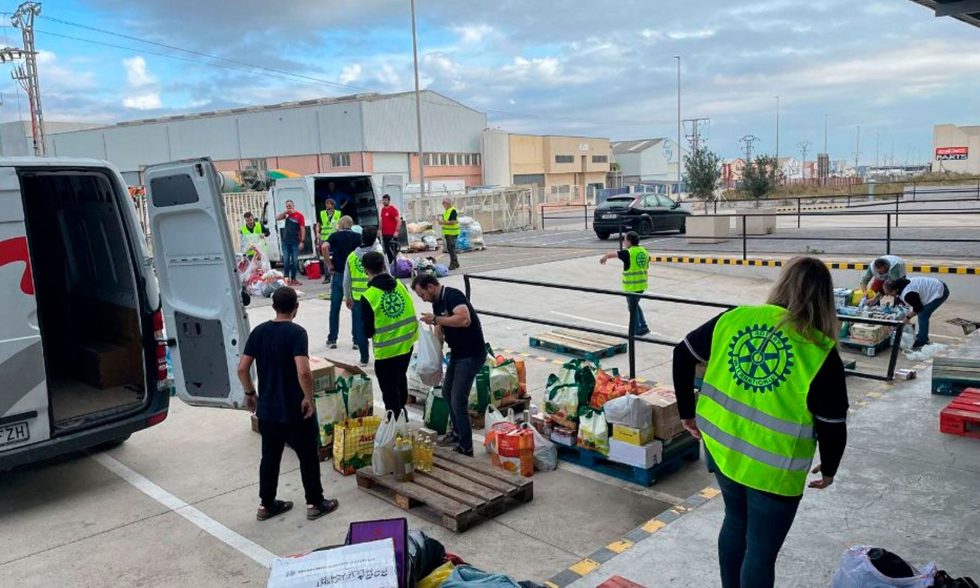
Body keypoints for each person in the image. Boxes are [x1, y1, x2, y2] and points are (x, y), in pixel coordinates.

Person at [672, 256, 848, 588]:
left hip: (723, 450)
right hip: (774, 469)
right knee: (761, 552)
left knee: (735, 522)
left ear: (782, 284)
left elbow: (682, 354)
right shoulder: (820, 351)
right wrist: (829, 468)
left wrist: (686, 412)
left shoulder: (734, 317)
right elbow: (832, 423)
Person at [237, 287, 340, 522]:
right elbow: (303, 371)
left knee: (270, 458)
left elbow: (242, 368)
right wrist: (308, 398)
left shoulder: (259, 332)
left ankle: (266, 505)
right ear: (296, 307)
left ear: (274, 306)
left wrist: (250, 392)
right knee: (307, 456)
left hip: (268, 411)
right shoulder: (296, 333)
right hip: (295, 410)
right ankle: (315, 502)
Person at [413, 273, 487, 456]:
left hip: (471, 354)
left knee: (457, 399)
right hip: (457, 354)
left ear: (431, 287)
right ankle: (456, 432)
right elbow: (439, 330)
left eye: (423, 294)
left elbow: (464, 319)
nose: (423, 299)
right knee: (446, 392)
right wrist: (434, 354)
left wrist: (435, 319)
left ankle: (466, 446)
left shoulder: (453, 296)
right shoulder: (437, 303)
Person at [360, 251, 418, 414]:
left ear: (365, 270)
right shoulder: (400, 285)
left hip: (386, 351)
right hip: (407, 345)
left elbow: (368, 331)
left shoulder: (369, 296)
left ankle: (395, 419)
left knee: (389, 388)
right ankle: (402, 412)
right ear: (384, 266)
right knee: (400, 379)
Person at [344, 226, 385, 366]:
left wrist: (347, 296)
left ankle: (364, 358)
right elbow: (388, 273)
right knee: (379, 326)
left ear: (361, 238)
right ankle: (379, 355)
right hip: (377, 295)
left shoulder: (352, 256)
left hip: (358, 298)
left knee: (361, 329)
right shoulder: (378, 255)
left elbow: (346, 280)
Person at [599, 231, 651, 337]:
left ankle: (638, 329)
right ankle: (643, 326)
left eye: (625, 240)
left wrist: (605, 256)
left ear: (629, 242)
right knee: (635, 306)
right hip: (642, 285)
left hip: (632, 286)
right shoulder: (644, 251)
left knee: (632, 308)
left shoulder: (628, 253)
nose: (624, 242)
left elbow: (614, 254)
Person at [323, 216, 361, 350]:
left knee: (335, 307)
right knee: (355, 308)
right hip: (353, 276)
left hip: (338, 274)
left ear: (341, 224)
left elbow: (324, 247)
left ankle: (332, 339)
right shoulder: (358, 237)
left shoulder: (334, 236)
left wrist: (329, 265)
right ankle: (357, 340)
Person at [883, 277, 949, 350]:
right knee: (921, 313)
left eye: (889, 293)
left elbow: (918, 308)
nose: (888, 295)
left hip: (939, 291)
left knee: (923, 314)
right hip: (935, 285)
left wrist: (907, 318)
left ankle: (922, 341)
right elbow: (900, 299)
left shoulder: (908, 294)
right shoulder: (899, 284)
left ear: (895, 290)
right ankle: (921, 336)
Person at [276, 199, 306, 286]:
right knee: (286, 261)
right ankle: (286, 279)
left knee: (294, 261)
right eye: (287, 206)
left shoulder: (299, 216)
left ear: (293, 206)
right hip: (285, 242)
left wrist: (302, 241)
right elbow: (277, 218)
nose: (289, 208)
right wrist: (285, 212)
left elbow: (303, 229)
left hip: (295, 242)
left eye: (290, 206)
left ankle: (293, 279)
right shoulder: (286, 215)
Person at [317, 199, 341, 283]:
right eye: (326, 203)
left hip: (335, 237)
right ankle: (327, 277)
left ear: (333, 205)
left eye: (329, 204)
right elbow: (318, 224)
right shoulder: (322, 213)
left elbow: (341, 223)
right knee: (325, 257)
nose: (327, 205)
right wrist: (317, 233)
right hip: (324, 238)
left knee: (337, 255)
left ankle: (337, 273)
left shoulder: (338, 213)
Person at [437, 197, 460, 271]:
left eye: (444, 203)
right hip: (448, 233)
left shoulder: (452, 211)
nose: (443, 205)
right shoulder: (446, 211)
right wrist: (441, 222)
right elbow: (446, 221)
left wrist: (443, 222)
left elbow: (453, 222)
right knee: (450, 249)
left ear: (448, 203)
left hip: (452, 233)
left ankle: (453, 264)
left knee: (451, 249)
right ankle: (456, 263)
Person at [380, 194, 401, 264]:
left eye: (385, 200)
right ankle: (390, 265)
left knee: (393, 251)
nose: (384, 202)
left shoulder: (392, 209)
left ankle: (395, 265)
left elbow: (399, 220)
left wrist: (396, 231)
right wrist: (379, 230)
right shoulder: (383, 210)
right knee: (387, 251)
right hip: (385, 234)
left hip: (391, 234)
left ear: (389, 201)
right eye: (383, 200)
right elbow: (381, 220)